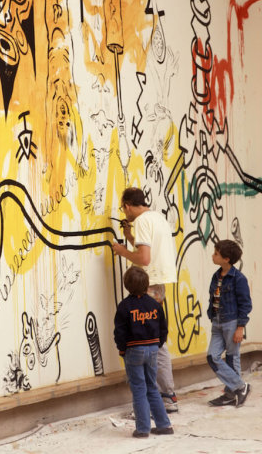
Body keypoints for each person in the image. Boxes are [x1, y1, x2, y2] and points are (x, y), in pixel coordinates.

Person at [112, 187, 178, 413]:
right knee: (157, 342)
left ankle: (154, 402)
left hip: (147, 285)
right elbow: (149, 248)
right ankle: (167, 395)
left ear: (128, 206)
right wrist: (130, 237)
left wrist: (121, 250)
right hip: (158, 285)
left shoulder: (141, 221)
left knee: (146, 344)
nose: (125, 212)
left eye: (124, 208)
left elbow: (144, 258)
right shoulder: (158, 218)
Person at [114, 266, 174, 437]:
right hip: (153, 349)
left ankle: (142, 429)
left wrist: (122, 349)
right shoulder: (155, 304)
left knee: (139, 388)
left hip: (134, 351)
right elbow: (163, 328)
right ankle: (164, 425)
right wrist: (157, 344)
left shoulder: (124, 306)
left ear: (126, 285)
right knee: (152, 387)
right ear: (147, 285)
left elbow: (120, 332)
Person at [207, 239, 252, 407]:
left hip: (232, 322)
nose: (213, 256)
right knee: (212, 356)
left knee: (232, 358)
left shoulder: (238, 279)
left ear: (226, 259)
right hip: (217, 322)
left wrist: (240, 327)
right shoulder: (216, 275)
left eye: (216, 254)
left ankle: (230, 393)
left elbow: (246, 304)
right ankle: (240, 387)